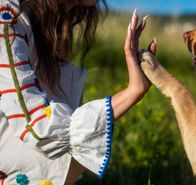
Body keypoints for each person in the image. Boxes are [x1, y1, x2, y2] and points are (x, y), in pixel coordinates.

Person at [0, 0, 156, 184]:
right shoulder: (7, 15)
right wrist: (131, 93)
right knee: (66, 143)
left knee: (65, 90)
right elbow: (37, 127)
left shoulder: (42, 17)